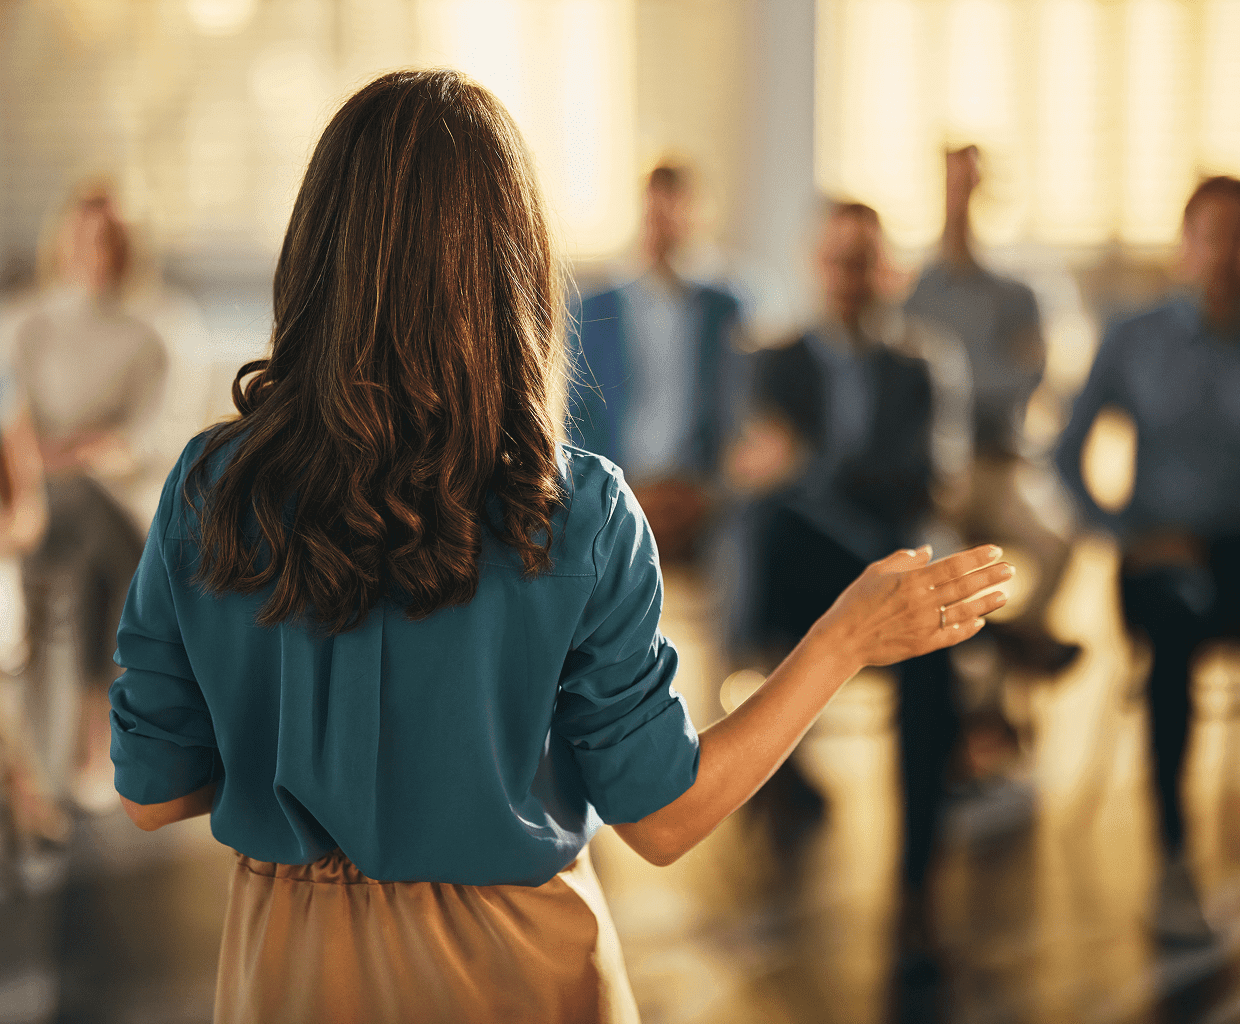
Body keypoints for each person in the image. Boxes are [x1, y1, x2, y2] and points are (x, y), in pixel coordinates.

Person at [108, 70, 1009, 1024]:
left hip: (282, 969)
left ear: (319, 248)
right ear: (514, 261)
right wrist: (844, 639)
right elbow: (659, 820)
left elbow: (156, 795)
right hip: (514, 966)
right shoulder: (577, 510)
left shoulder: (211, 486)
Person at [726, 200, 974, 968]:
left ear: (885, 271)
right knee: (769, 532)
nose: (848, 278)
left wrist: (809, 466)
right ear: (815, 266)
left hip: (888, 561)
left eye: (862, 262)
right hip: (805, 567)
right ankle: (778, 760)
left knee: (928, 637)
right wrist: (821, 477)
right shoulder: (777, 358)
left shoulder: (920, 363)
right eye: (836, 261)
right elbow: (756, 476)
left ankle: (917, 879)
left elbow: (926, 477)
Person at [1056, 175, 1240, 947]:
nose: (1228, 255)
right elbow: (1065, 453)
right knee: (1173, 629)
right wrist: (1123, 529)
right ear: (1185, 248)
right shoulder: (1134, 338)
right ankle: (1173, 853)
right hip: (1159, 555)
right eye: (1214, 237)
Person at [13, 185, 167, 811]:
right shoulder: (27, 322)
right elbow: (8, 411)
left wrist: (98, 451)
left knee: (91, 544)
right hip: (35, 490)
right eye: (83, 238)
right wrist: (34, 455)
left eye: (108, 240)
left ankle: (66, 746)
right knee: (70, 551)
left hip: (115, 491)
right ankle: (80, 736)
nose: (94, 252)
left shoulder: (157, 327)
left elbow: (157, 433)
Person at [906, 145, 1078, 682]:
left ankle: (1013, 646)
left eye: (971, 187)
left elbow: (1031, 378)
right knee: (949, 571)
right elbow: (913, 392)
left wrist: (957, 380)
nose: (961, 202)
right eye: (953, 187)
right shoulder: (916, 292)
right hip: (940, 477)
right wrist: (984, 375)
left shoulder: (1018, 292)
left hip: (1003, 467)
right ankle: (987, 687)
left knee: (1058, 543)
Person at [568, 164, 744, 563]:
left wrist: (707, 488)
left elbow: (737, 408)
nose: (664, 225)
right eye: (655, 212)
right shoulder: (595, 310)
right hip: (619, 482)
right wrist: (618, 489)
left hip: (698, 489)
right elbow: (579, 413)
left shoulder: (726, 308)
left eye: (675, 211)